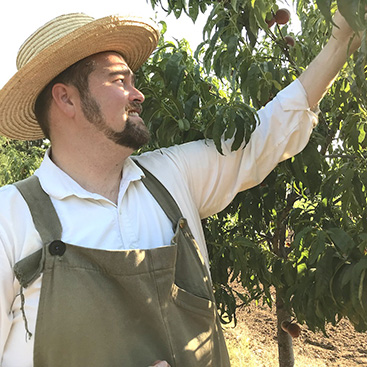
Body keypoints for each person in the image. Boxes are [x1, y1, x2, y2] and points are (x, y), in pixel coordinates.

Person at [0, 9, 360, 367]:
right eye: (119, 81)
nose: (137, 94)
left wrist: (339, 43)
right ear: (66, 99)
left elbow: (266, 135)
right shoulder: (10, 219)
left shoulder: (172, 177)